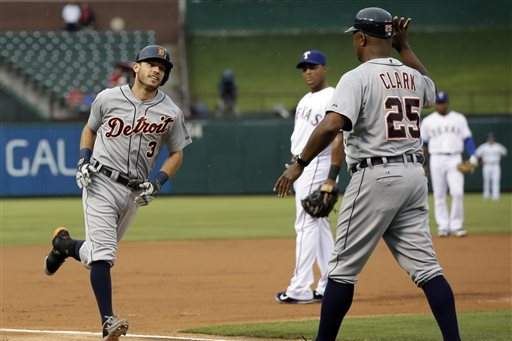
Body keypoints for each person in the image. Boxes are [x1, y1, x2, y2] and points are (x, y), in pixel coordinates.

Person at [274, 7, 461, 340]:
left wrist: (299, 163)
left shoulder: (356, 77)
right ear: (390, 38)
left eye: (355, 37)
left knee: (341, 270)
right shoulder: (412, 76)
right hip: (414, 177)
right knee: (428, 270)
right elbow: (430, 92)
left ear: (361, 38)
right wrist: (404, 47)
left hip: (375, 176)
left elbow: (331, 124)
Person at [43, 45, 192, 340]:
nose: (157, 70)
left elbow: (177, 153)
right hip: (101, 182)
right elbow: (90, 129)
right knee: (104, 255)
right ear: (136, 67)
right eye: (151, 64)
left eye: (162, 68)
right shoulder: (108, 98)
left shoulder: (171, 112)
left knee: (95, 255)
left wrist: (159, 181)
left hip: (134, 192)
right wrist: (84, 159)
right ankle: (108, 320)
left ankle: (63, 245)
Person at [275, 50, 344, 304]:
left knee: (305, 224)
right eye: (304, 68)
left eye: (312, 66)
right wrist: (295, 160)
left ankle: (300, 288)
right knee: (319, 225)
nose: (308, 72)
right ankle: (329, 285)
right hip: (303, 164)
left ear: (325, 68)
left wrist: (331, 177)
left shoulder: (333, 96)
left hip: (317, 164)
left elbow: (338, 136)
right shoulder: (306, 98)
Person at [421, 91, 478, 237]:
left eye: (443, 102)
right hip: (436, 158)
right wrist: (423, 164)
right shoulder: (428, 121)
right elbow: (424, 145)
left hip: (455, 158)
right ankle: (443, 226)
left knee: (457, 192)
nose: (441, 105)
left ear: (447, 103)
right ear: (435, 104)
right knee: (439, 194)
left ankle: (457, 225)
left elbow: (467, 138)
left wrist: (473, 155)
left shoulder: (458, 119)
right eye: (438, 103)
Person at [475, 132, 508, 201]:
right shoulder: (483, 146)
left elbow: (505, 152)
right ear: (487, 139)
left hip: (495, 165)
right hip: (487, 165)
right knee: (486, 181)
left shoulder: (497, 146)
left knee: (496, 180)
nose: (491, 139)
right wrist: (481, 160)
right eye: (489, 138)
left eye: (492, 138)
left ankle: (495, 196)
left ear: (494, 139)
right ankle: (486, 195)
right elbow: (476, 153)